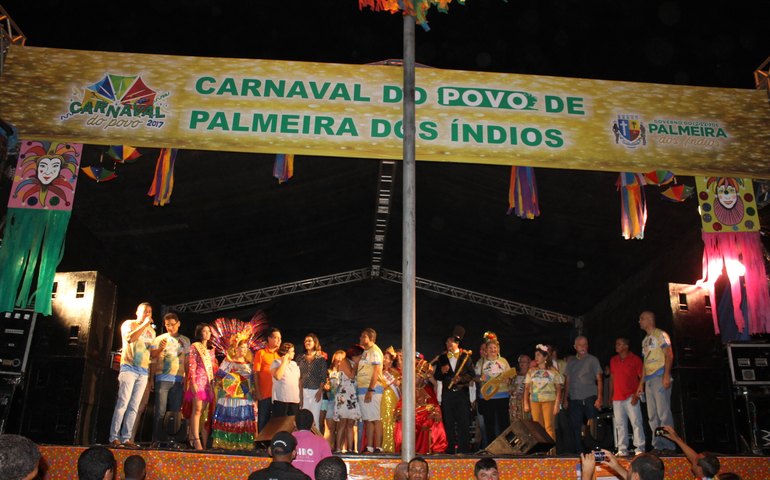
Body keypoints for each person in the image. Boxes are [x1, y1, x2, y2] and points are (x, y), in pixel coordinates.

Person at [109, 302, 156, 447]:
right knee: (123, 402)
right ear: (137, 312)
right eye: (144, 311)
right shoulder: (129, 324)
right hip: (129, 367)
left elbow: (152, 354)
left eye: (150, 311)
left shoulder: (152, 332)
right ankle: (114, 437)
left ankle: (126, 438)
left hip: (143, 371)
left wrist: (160, 349)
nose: (147, 313)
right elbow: (130, 338)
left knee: (134, 406)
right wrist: (144, 324)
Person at [636, 310, 676, 453]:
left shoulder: (661, 334)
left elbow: (669, 355)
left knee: (663, 413)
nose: (639, 321)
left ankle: (669, 445)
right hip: (649, 380)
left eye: (641, 319)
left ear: (649, 320)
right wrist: (641, 384)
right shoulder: (645, 340)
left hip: (660, 376)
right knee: (652, 416)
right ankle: (658, 445)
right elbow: (645, 362)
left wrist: (666, 375)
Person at [394, 355, 448, 454]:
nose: (416, 379)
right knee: (402, 420)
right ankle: (403, 449)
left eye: (418, 377)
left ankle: (437, 448)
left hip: (424, 417)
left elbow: (434, 407)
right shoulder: (407, 389)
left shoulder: (427, 391)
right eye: (414, 376)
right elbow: (400, 406)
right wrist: (400, 413)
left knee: (435, 419)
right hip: (412, 416)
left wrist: (434, 412)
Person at [434, 328, 475, 453]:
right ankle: (450, 449)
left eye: (450, 341)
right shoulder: (442, 357)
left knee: (463, 423)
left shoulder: (465, 356)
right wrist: (441, 371)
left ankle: (464, 450)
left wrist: (461, 379)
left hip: (461, 394)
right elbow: (437, 377)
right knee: (448, 423)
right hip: (447, 395)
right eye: (446, 342)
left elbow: (471, 375)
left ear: (456, 342)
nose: (447, 344)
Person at [150, 312, 190, 443]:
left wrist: (187, 378)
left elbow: (187, 361)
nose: (170, 327)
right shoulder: (159, 339)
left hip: (178, 379)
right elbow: (153, 358)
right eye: (167, 325)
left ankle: (172, 440)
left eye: (173, 324)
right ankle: (156, 440)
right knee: (160, 411)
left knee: (175, 411)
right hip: (162, 378)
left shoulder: (185, 340)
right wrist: (151, 378)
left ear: (178, 324)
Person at [212, 339, 257, 450]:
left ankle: (242, 443)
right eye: (242, 347)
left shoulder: (249, 363)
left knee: (242, 418)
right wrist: (232, 380)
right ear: (235, 348)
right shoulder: (229, 361)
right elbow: (219, 375)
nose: (244, 350)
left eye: (246, 347)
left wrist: (253, 391)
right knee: (230, 417)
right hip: (230, 395)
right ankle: (226, 443)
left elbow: (252, 380)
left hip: (244, 395)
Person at [563, 335, 603, 453]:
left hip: (590, 397)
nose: (583, 347)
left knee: (592, 426)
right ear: (575, 347)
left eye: (585, 344)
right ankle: (578, 452)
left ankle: (595, 450)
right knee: (576, 427)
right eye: (580, 345)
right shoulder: (571, 362)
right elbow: (567, 381)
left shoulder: (592, 359)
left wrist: (599, 398)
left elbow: (599, 379)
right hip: (574, 398)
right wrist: (565, 399)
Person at [609, 337, 646, 456]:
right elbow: (612, 378)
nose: (616, 346)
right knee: (620, 424)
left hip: (631, 396)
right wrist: (611, 395)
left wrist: (637, 394)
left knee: (636, 422)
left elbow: (642, 377)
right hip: (617, 397)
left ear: (626, 346)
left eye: (619, 344)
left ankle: (640, 448)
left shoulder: (635, 359)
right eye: (616, 344)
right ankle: (622, 449)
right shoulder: (613, 360)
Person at [184, 322, 218, 450]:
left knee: (202, 411)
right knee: (197, 410)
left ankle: (192, 436)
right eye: (205, 331)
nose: (207, 333)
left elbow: (212, 370)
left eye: (209, 331)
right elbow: (192, 365)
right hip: (198, 381)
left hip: (208, 384)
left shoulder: (211, 351)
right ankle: (196, 439)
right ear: (199, 333)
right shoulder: (195, 346)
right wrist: (192, 382)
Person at [475, 336, 512, 442]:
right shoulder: (480, 362)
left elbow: (510, 376)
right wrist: (480, 378)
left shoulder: (503, 361)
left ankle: (505, 447)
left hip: (502, 396)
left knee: (504, 423)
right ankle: (491, 448)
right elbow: (475, 377)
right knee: (489, 424)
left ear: (498, 349)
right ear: (486, 350)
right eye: (490, 348)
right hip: (487, 396)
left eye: (495, 348)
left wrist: (508, 379)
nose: (493, 350)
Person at [524, 344, 563, 442]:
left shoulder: (553, 371)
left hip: (549, 401)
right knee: (538, 427)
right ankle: (541, 451)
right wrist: (526, 403)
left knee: (549, 427)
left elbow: (559, 389)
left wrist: (557, 404)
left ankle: (551, 452)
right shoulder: (531, 371)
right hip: (535, 401)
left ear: (545, 357)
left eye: (538, 355)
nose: (536, 357)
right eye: (535, 355)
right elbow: (527, 388)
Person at [356, 327, 384, 453]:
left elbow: (376, 370)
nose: (361, 338)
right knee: (367, 420)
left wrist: (371, 389)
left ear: (371, 338)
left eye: (363, 336)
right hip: (362, 388)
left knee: (375, 418)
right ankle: (370, 447)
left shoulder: (375, 351)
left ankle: (378, 447)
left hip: (372, 389)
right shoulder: (365, 352)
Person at [334, 345, 363, 453]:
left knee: (351, 423)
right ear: (354, 355)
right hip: (344, 395)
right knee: (342, 423)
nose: (360, 358)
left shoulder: (355, 363)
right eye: (359, 356)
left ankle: (350, 448)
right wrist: (356, 365)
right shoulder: (345, 361)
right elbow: (351, 375)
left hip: (352, 395)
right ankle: (338, 448)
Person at [298, 333, 329, 431]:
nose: (307, 342)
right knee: (303, 420)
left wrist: (320, 391)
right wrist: (301, 395)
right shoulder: (300, 358)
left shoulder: (320, 359)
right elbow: (299, 377)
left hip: (316, 391)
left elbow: (323, 376)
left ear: (315, 342)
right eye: (305, 341)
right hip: (303, 391)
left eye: (309, 341)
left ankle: (317, 444)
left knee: (315, 419)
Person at [254, 327, 282, 433]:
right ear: (269, 339)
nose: (279, 340)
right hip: (264, 394)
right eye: (276, 338)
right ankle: (261, 446)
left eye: (280, 338)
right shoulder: (261, 353)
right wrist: (258, 392)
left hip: (278, 395)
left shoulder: (281, 355)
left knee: (275, 422)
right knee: (263, 421)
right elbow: (256, 374)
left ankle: (273, 445)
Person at [293, 409, 333, 479]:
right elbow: (329, 466)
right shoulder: (322, 441)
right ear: (313, 424)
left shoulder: (288, 439)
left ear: (294, 423)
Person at [272, 341, 301, 417]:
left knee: (292, 424)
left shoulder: (294, 364)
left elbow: (298, 381)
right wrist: (284, 362)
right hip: (281, 400)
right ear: (286, 352)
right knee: (280, 424)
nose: (294, 353)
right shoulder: (276, 362)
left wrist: (300, 398)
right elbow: (277, 376)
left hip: (294, 400)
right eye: (292, 351)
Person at [381, 345, 401, 453]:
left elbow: (399, 384)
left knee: (391, 420)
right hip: (382, 398)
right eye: (383, 357)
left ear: (391, 361)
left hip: (393, 397)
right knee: (383, 420)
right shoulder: (378, 371)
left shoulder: (396, 372)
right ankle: (383, 446)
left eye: (387, 358)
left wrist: (396, 382)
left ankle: (391, 447)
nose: (384, 360)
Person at [509, 354, 531, 424]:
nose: (522, 363)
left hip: (525, 403)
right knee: (515, 423)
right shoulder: (515, 375)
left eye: (524, 362)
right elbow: (510, 388)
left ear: (529, 363)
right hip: (514, 404)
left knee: (526, 423)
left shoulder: (531, 375)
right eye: (520, 362)